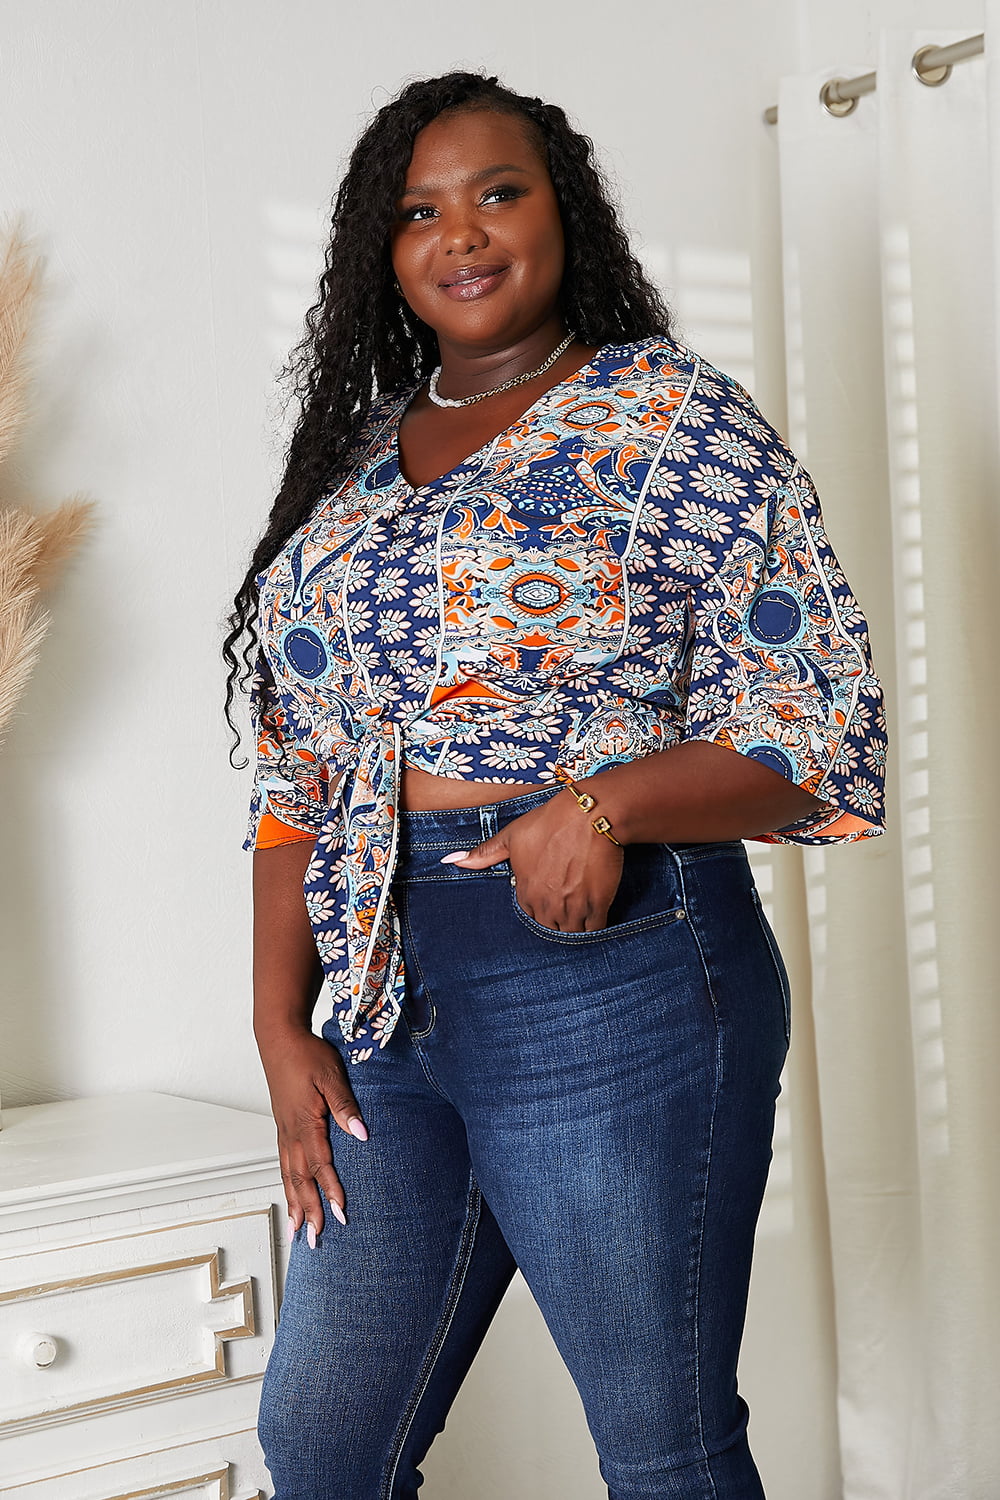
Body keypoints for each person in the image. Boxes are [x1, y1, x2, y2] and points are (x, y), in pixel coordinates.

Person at [223, 71, 885, 1500]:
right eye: (419, 210)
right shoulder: (350, 475)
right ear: (382, 251)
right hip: (386, 992)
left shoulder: (672, 423)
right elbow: (301, 774)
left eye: (497, 193)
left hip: (617, 968)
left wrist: (607, 806)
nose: (461, 234)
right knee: (323, 1443)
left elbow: (815, 724)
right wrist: (281, 1023)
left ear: (561, 212)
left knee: (661, 1451)